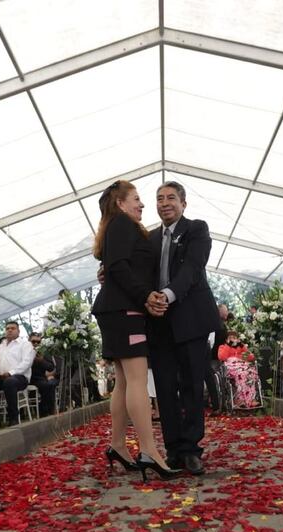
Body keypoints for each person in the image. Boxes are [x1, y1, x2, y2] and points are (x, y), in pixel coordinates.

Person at [92, 179, 178, 481]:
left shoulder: (117, 228)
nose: (142, 204)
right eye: (137, 199)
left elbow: (116, 266)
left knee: (126, 383)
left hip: (117, 310)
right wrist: (145, 296)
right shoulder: (122, 225)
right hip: (124, 312)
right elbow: (118, 267)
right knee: (138, 381)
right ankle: (149, 450)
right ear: (120, 203)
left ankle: (118, 445)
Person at [147, 181, 221, 476]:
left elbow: (192, 268)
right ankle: (173, 449)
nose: (164, 203)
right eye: (159, 198)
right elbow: (137, 271)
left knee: (191, 385)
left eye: (171, 198)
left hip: (191, 319)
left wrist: (168, 294)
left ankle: (191, 449)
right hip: (159, 322)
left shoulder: (196, 229)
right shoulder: (149, 238)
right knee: (164, 388)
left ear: (183, 203)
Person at [0, 321, 34, 425]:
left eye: (13, 328)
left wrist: (11, 373)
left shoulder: (25, 344)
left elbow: (27, 363)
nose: (10, 330)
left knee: (9, 382)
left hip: (19, 377)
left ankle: (13, 418)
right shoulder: (1, 345)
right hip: (0, 377)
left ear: (18, 331)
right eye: (7, 328)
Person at [217, 331, 260, 408]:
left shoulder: (240, 348)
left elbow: (251, 357)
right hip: (231, 368)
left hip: (242, 366)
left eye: (235, 338)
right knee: (242, 374)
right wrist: (228, 345)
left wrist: (242, 346)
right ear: (226, 340)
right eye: (230, 338)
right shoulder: (222, 347)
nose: (233, 340)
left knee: (251, 373)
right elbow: (222, 357)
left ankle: (251, 399)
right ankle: (240, 400)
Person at [205, 304, 229, 413]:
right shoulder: (218, 324)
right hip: (213, 355)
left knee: (210, 377)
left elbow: (211, 342)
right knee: (210, 377)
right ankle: (215, 404)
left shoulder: (216, 324)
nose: (226, 313)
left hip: (213, 356)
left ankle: (215, 404)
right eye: (225, 311)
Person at [28, 332, 57, 417]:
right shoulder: (23, 350)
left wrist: (42, 361)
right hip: (26, 378)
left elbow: (51, 367)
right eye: (33, 341)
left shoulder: (44, 352)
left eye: (38, 342)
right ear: (29, 341)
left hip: (39, 379)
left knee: (49, 385)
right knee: (47, 386)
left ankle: (48, 410)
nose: (36, 344)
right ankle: (44, 410)